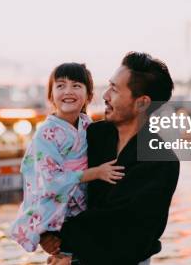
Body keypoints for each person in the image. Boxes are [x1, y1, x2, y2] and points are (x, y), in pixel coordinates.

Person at [41, 52, 180, 265]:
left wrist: (72, 256)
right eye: (109, 86)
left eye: (114, 89)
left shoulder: (161, 161)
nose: (105, 95)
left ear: (142, 103)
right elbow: (51, 177)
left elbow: (127, 229)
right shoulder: (92, 135)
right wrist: (44, 231)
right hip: (68, 254)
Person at [9, 62, 126, 252]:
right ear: (51, 96)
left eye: (76, 85)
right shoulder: (46, 133)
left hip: (82, 212)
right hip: (57, 216)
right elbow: (49, 181)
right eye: (60, 85)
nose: (68, 91)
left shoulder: (88, 125)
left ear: (89, 96)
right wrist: (95, 173)